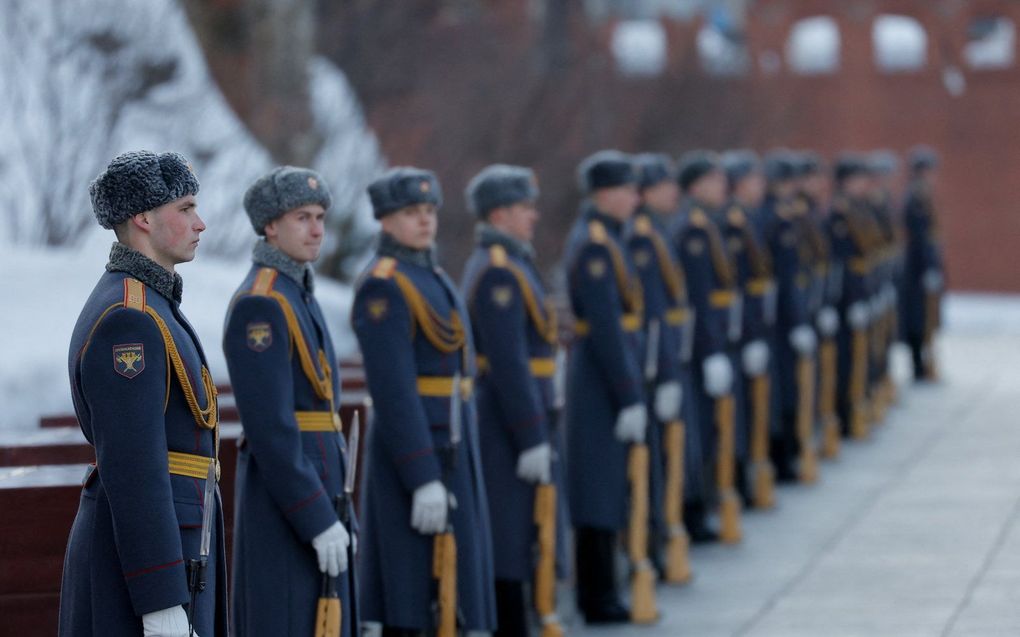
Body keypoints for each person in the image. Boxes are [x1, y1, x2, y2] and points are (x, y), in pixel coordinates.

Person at [61, 150, 226, 637]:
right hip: (146, 567)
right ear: (144, 217)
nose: (201, 224)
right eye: (186, 209)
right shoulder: (129, 315)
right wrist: (159, 599)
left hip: (178, 547)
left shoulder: (152, 301)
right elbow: (133, 465)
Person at [351, 167, 497, 637]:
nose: (424, 221)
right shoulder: (384, 283)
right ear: (386, 221)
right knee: (411, 590)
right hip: (416, 450)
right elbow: (393, 390)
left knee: (452, 586)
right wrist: (422, 476)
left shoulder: (428, 272)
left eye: (430, 211)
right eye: (411, 212)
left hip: (452, 439)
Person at [223, 167, 356, 636]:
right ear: (271, 226)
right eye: (303, 217)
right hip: (289, 499)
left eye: (320, 216)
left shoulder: (295, 289)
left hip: (320, 480)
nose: (317, 228)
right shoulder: (261, 302)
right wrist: (316, 517)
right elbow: (270, 428)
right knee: (289, 619)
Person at [460, 164, 567, 637]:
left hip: (525, 415)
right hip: (506, 424)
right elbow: (508, 362)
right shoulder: (499, 271)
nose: (534, 216)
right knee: (509, 536)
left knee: (525, 532)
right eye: (524, 207)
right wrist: (530, 435)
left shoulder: (515, 262)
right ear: (500, 213)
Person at [563, 150, 646, 622]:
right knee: (596, 488)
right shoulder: (595, 244)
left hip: (605, 376)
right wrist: (629, 393)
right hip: (598, 381)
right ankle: (596, 595)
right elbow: (607, 327)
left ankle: (603, 590)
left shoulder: (608, 237)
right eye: (627, 189)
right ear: (603, 194)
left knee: (608, 484)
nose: (635, 197)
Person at [628, 153, 696, 568]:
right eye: (663, 186)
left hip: (668, 352)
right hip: (655, 361)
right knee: (657, 461)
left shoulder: (657, 231)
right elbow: (652, 310)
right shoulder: (641, 237)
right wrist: (666, 370)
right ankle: (654, 547)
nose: (673, 192)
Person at [670, 150, 740, 541]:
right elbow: (699, 298)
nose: (722, 187)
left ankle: (700, 508)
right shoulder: (693, 229)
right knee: (696, 431)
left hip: (707, 341)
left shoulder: (705, 224)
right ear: (696, 186)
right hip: (697, 347)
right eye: (713, 180)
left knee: (708, 431)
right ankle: (692, 513)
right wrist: (711, 349)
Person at [720, 150, 777, 506]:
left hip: (750, 323)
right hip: (736, 329)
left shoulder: (748, 219)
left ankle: (747, 480)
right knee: (736, 414)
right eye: (754, 180)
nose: (761, 186)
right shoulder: (731, 223)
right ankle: (738, 484)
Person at [759, 151, 816, 481]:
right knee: (781, 391)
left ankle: (789, 454)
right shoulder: (775, 219)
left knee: (791, 388)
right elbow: (785, 276)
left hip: (785, 314)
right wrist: (795, 321)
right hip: (778, 319)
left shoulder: (786, 216)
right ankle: (782, 458)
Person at [900, 146, 944, 380]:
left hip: (925, 268)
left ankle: (925, 364)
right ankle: (919, 366)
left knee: (927, 318)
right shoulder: (916, 198)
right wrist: (928, 268)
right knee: (918, 319)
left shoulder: (923, 196)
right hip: (917, 270)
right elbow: (920, 239)